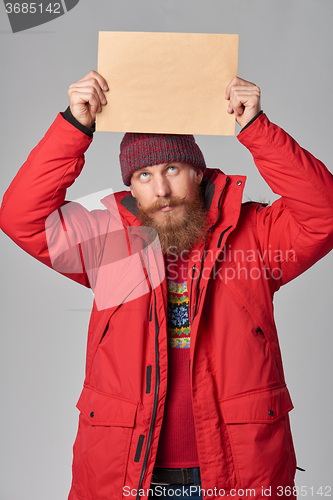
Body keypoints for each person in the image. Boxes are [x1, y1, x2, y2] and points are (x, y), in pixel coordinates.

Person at [1, 70, 333, 500]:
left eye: (172, 168)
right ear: (132, 191)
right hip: (128, 473)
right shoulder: (108, 243)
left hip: (236, 473)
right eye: (143, 176)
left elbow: (324, 213)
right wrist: (75, 125)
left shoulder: (255, 235)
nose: (161, 189)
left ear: (197, 173)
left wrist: (257, 129)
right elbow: (20, 217)